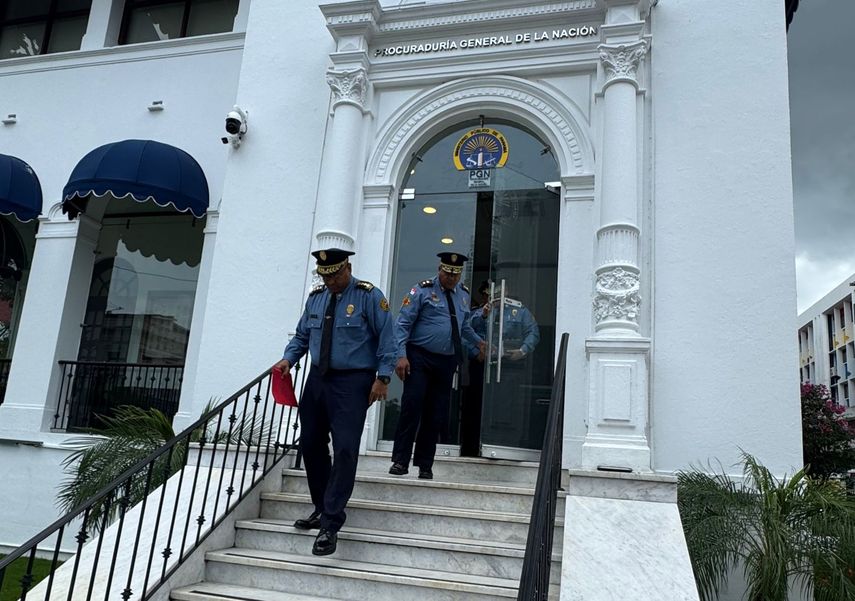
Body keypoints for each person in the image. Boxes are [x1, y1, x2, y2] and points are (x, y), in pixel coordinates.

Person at [273, 248, 395, 556]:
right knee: (311, 443)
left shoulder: (368, 296)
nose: (331, 282)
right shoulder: (316, 298)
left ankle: (331, 523)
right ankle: (320, 506)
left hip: (352, 382)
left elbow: (387, 337)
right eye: (325, 276)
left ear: (348, 268)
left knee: (344, 448)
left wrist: (383, 377)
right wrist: (289, 359)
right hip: (317, 378)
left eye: (336, 275)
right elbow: (302, 336)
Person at [389, 252, 485, 479]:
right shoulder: (421, 290)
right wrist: (400, 356)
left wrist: (479, 342)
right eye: (447, 273)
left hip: (446, 361)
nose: (451, 278)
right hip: (419, 357)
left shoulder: (463, 295)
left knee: (436, 414)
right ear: (440, 269)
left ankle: (425, 464)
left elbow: (463, 326)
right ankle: (401, 461)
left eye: (456, 274)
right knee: (412, 407)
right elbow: (402, 325)